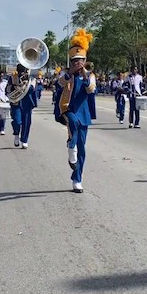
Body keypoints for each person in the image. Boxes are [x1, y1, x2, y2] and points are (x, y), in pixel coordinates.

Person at [55, 29, 95, 193]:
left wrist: (84, 75)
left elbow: (91, 89)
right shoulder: (65, 73)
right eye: (74, 60)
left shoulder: (90, 75)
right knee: (73, 123)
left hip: (83, 112)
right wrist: (69, 74)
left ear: (85, 60)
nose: (77, 63)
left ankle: (77, 179)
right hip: (68, 109)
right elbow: (58, 84)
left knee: (83, 149)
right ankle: (71, 146)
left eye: (80, 60)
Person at [8, 64, 38, 148]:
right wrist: (14, 87)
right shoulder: (12, 78)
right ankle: (16, 134)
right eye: (20, 71)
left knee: (26, 123)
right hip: (16, 102)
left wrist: (26, 84)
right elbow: (7, 89)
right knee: (17, 121)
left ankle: (24, 140)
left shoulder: (32, 79)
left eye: (23, 71)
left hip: (27, 103)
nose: (21, 73)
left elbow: (33, 89)